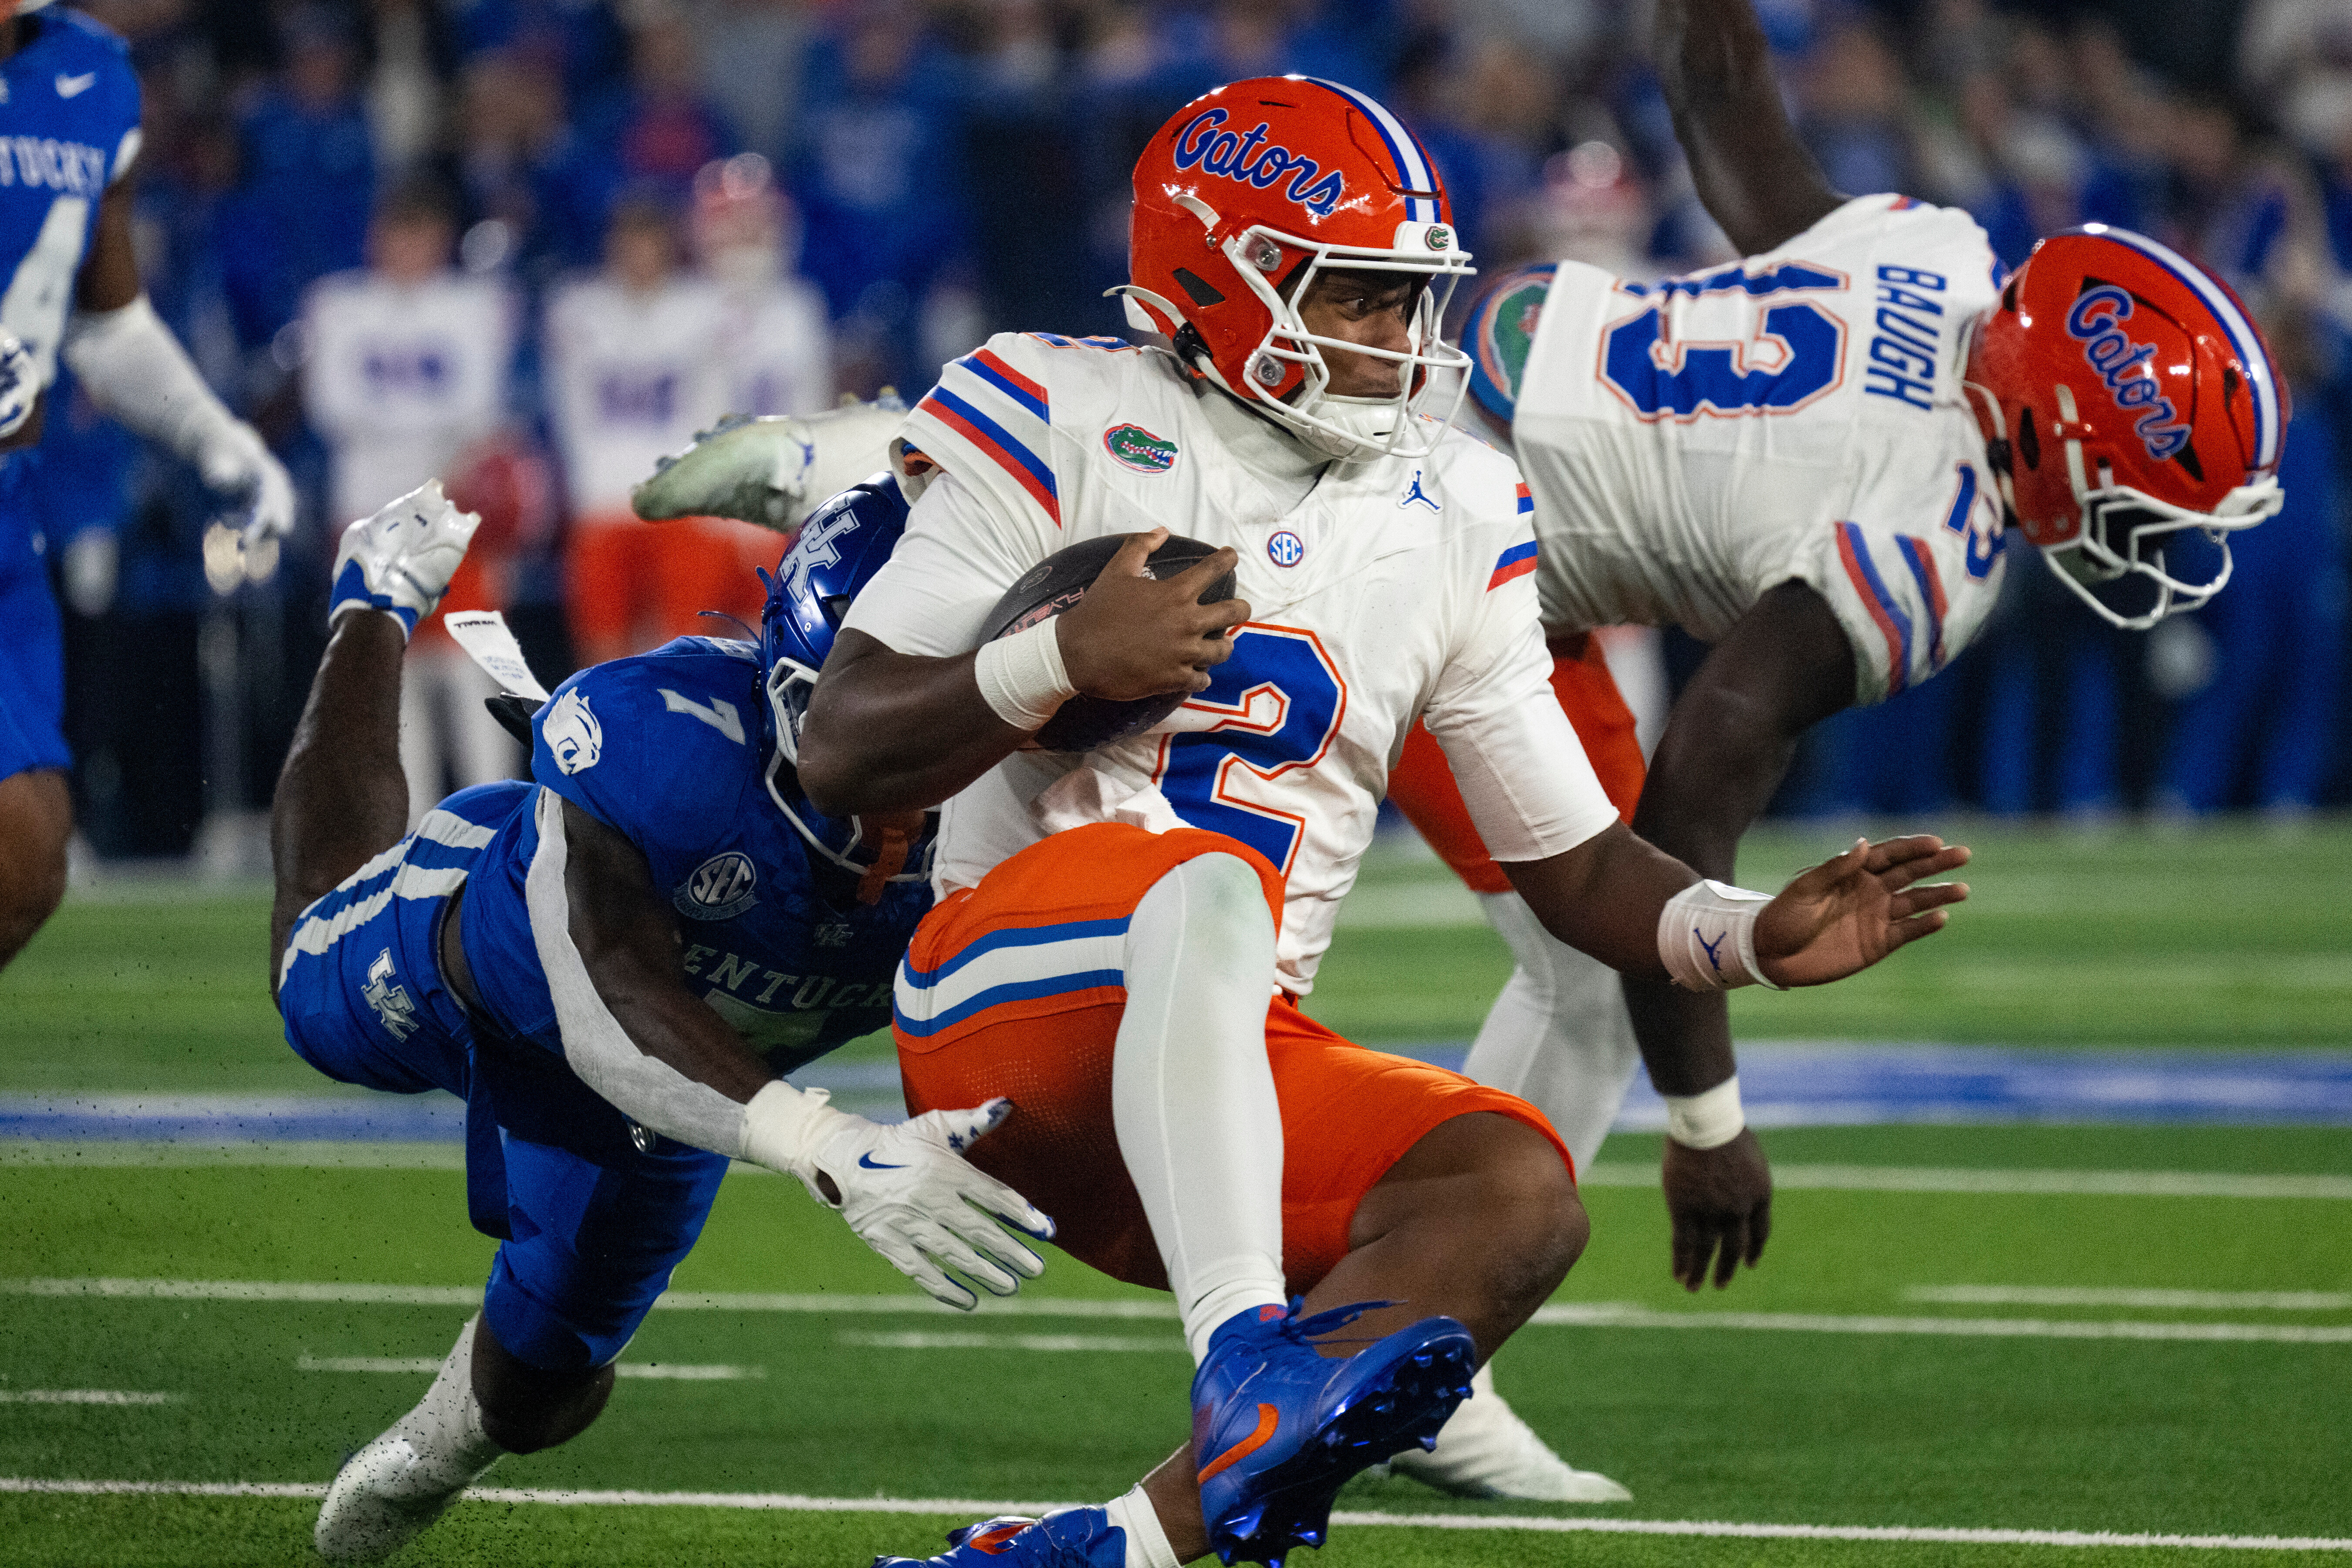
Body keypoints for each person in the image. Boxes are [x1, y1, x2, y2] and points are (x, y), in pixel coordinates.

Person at [781, 78, 1968, 1568]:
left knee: (1518, 1196)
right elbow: (845, 747)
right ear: (1213, 278)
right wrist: (1060, 660)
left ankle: (1111, 1548)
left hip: (1223, 1073)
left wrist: (1741, 939)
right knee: (1203, 881)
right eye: (1353, 295)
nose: (1397, 340)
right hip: (999, 1005)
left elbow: (1576, 856)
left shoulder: (1456, 501)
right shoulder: (1060, 406)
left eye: (1412, 299)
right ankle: (1242, 1355)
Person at [1378, 0, 2288, 1499]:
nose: (2148, 539)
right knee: (1569, 954)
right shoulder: (1930, 550)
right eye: (2136, 495)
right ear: (2053, 436)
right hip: (1426, 540)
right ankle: (1395, 1350)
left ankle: (1411, 1354)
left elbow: (1714, 76)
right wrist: (1713, 1123)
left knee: (1576, 966)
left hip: (1450, 405)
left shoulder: (1931, 254)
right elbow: (1693, 798)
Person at [270, 478, 1051, 1564]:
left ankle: (430, 1453)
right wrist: (826, 1144)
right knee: (304, 978)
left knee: (537, 1396)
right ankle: (375, 599)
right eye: (859, 707)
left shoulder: (1043, 805)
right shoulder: (668, 740)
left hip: (690, 1093)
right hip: (499, 968)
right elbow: (612, 1001)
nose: (892, 767)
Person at [0, 0, 294, 971]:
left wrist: (216, 437)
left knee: (26, 864)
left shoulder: (90, 75)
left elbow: (107, 319)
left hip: (12, 508)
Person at [302, 176, 521, 820]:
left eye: (418, 236)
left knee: (464, 659)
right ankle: (413, 820)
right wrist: (426, 425)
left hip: (446, 504)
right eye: (395, 236)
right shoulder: (339, 304)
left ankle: (494, 809)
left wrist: (394, 424)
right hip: (369, 511)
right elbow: (330, 406)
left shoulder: (471, 306)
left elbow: (479, 407)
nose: (405, 250)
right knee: (391, 670)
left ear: (440, 241)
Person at [544, 194, 744, 666]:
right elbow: (567, 411)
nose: (638, 258)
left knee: (685, 653)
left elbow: (722, 407)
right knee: (601, 658)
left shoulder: (706, 306)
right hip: (603, 498)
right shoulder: (577, 308)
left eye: (648, 245)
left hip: (681, 503)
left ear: (670, 248)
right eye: (628, 244)